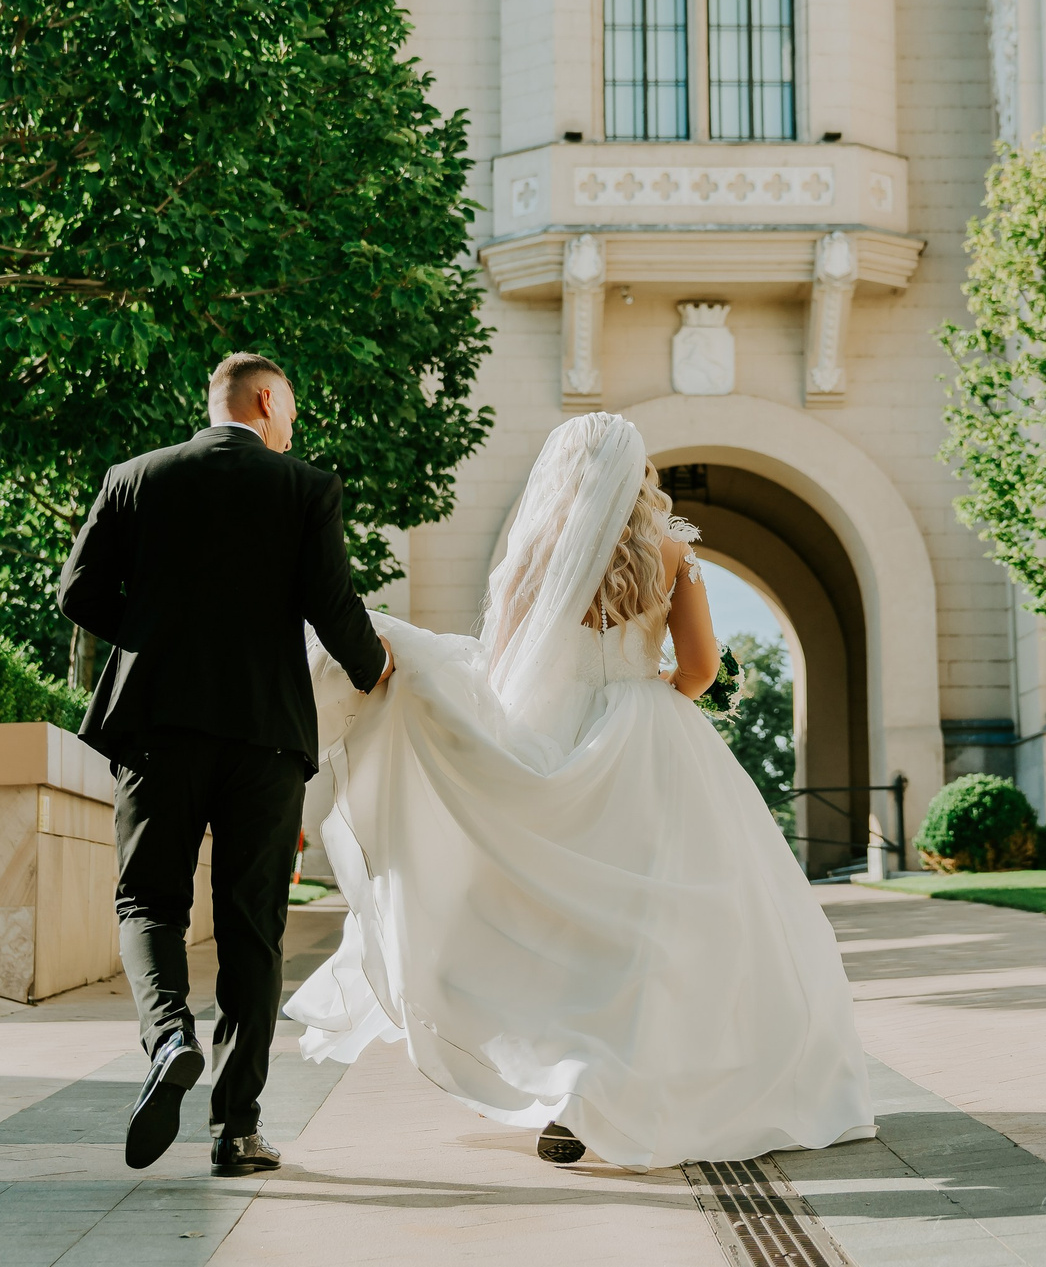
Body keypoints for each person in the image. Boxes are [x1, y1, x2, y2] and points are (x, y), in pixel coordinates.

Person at [288, 411, 873, 1168]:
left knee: (557, 918)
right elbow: (700, 669)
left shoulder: (533, 556)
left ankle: (567, 1090)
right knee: (660, 920)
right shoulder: (674, 554)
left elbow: (502, 664)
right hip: (650, 741)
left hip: (550, 731)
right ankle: (646, 1086)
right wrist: (657, 689)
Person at [58, 352, 390, 1177]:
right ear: (267, 399)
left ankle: (169, 1035)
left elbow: (78, 593)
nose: (293, 431)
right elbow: (333, 606)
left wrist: (159, 629)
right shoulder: (306, 487)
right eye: (291, 414)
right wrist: (375, 666)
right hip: (265, 738)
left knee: (148, 900)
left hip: (158, 729)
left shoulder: (134, 478)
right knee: (252, 928)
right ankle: (237, 1129)